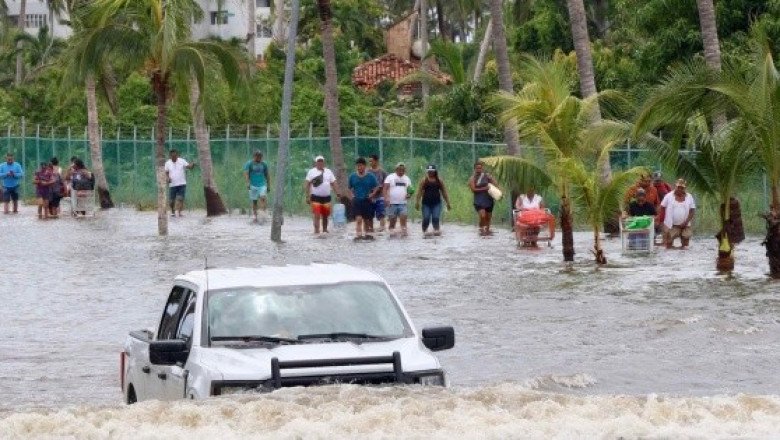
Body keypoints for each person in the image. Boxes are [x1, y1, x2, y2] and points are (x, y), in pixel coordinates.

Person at [304, 155, 339, 235]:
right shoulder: (311, 172)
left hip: (326, 197)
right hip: (315, 197)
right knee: (317, 214)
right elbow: (307, 184)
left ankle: (325, 230)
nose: (320, 163)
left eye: (321, 161)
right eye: (318, 161)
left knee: (325, 215)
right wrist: (307, 196)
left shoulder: (328, 171)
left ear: (324, 162)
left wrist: (338, 193)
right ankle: (316, 231)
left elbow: (334, 183)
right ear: (315, 163)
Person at [659, 179, 696, 249]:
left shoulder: (689, 196)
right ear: (675, 186)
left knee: (685, 245)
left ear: (684, 188)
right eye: (678, 187)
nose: (680, 189)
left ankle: (683, 258)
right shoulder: (668, 196)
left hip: (685, 225)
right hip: (671, 225)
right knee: (668, 244)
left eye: (682, 188)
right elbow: (662, 208)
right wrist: (662, 222)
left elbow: (692, 210)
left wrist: (686, 222)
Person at [415, 164, 451, 237]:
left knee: (435, 218)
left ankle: (436, 232)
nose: (430, 173)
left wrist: (448, 203)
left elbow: (444, 192)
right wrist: (417, 202)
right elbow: (419, 191)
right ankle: (424, 232)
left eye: (432, 171)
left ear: (435, 172)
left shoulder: (439, 180)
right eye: (429, 171)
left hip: (436, 203)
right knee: (426, 218)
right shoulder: (424, 180)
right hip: (426, 203)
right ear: (427, 172)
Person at [348, 157, 379, 241]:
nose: (359, 168)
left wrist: (372, 194)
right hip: (357, 200)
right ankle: (358, 236)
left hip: (367, 200)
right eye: (357, 166)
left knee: (367, 220)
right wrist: (352, 196)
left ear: (365, 166)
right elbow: (349, 188)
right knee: (358, 219)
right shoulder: (352, 176)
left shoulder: (370, 176)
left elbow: (376, 186)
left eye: (361, 166)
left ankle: (367, 235)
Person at [469, 161, 500, 236]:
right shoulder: (472, 178)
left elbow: (495, 185)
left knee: (488, 218)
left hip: (488, 200)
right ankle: (481, 228)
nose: (479, 169)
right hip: (478, 201)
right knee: (482, 216)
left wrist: (491, 178)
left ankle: (487, 232)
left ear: (482, 168)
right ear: (475, 169)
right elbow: (473, 189)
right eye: (477, 168)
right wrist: (484, 188)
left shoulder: (487, 176)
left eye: (480, 168)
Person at [383, 162, 412, 237]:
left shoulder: (407, 178)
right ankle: (392, 237)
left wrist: (409, 195)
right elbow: (385, 189)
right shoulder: (390, 177)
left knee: (403, 217)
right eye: (399, 170)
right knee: (392, 222)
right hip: (391, 203)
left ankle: (404, 237)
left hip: (403, 203)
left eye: (403, 170)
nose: (401, 171)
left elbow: (410, 190)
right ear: (396, 169)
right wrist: (386, 198)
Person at [164, 149, 196, 217]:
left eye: (175, 156)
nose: (174, 158)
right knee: (171, 201)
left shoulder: (182, 161)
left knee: (180, 198)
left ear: (177, 155)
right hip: (172, 184)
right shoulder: (167, 163)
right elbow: (166, 172)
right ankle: (172, 211)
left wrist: (192, 165)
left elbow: (189, 166)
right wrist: (167, 178)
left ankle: (179, 212)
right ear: (170, 156)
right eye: (173, 156)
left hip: (182, 183)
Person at [243, 150, 270, 223]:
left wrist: (268, 185)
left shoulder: (264, 164)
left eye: (260, 157)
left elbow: (267, 174)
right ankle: (255, 217)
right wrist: (248, 183)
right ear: (254, 156)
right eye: (258, 156)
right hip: (253, 185)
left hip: (262, 184)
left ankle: (263, 214)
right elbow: (246, 174)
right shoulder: (249, 164)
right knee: (254, 201)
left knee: (263, 197)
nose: (259, 158)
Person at [367, 154, 388, 233]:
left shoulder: (382, 172)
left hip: (380, 196)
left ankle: (382, 227)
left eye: (371, 161)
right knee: (370, 213)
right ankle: (370, 228)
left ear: (376, 161)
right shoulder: (368, 172)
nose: (370, 162)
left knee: (381, 212)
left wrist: (386, 195)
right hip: (370, 195)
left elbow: (386, 184)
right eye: (369, 161)